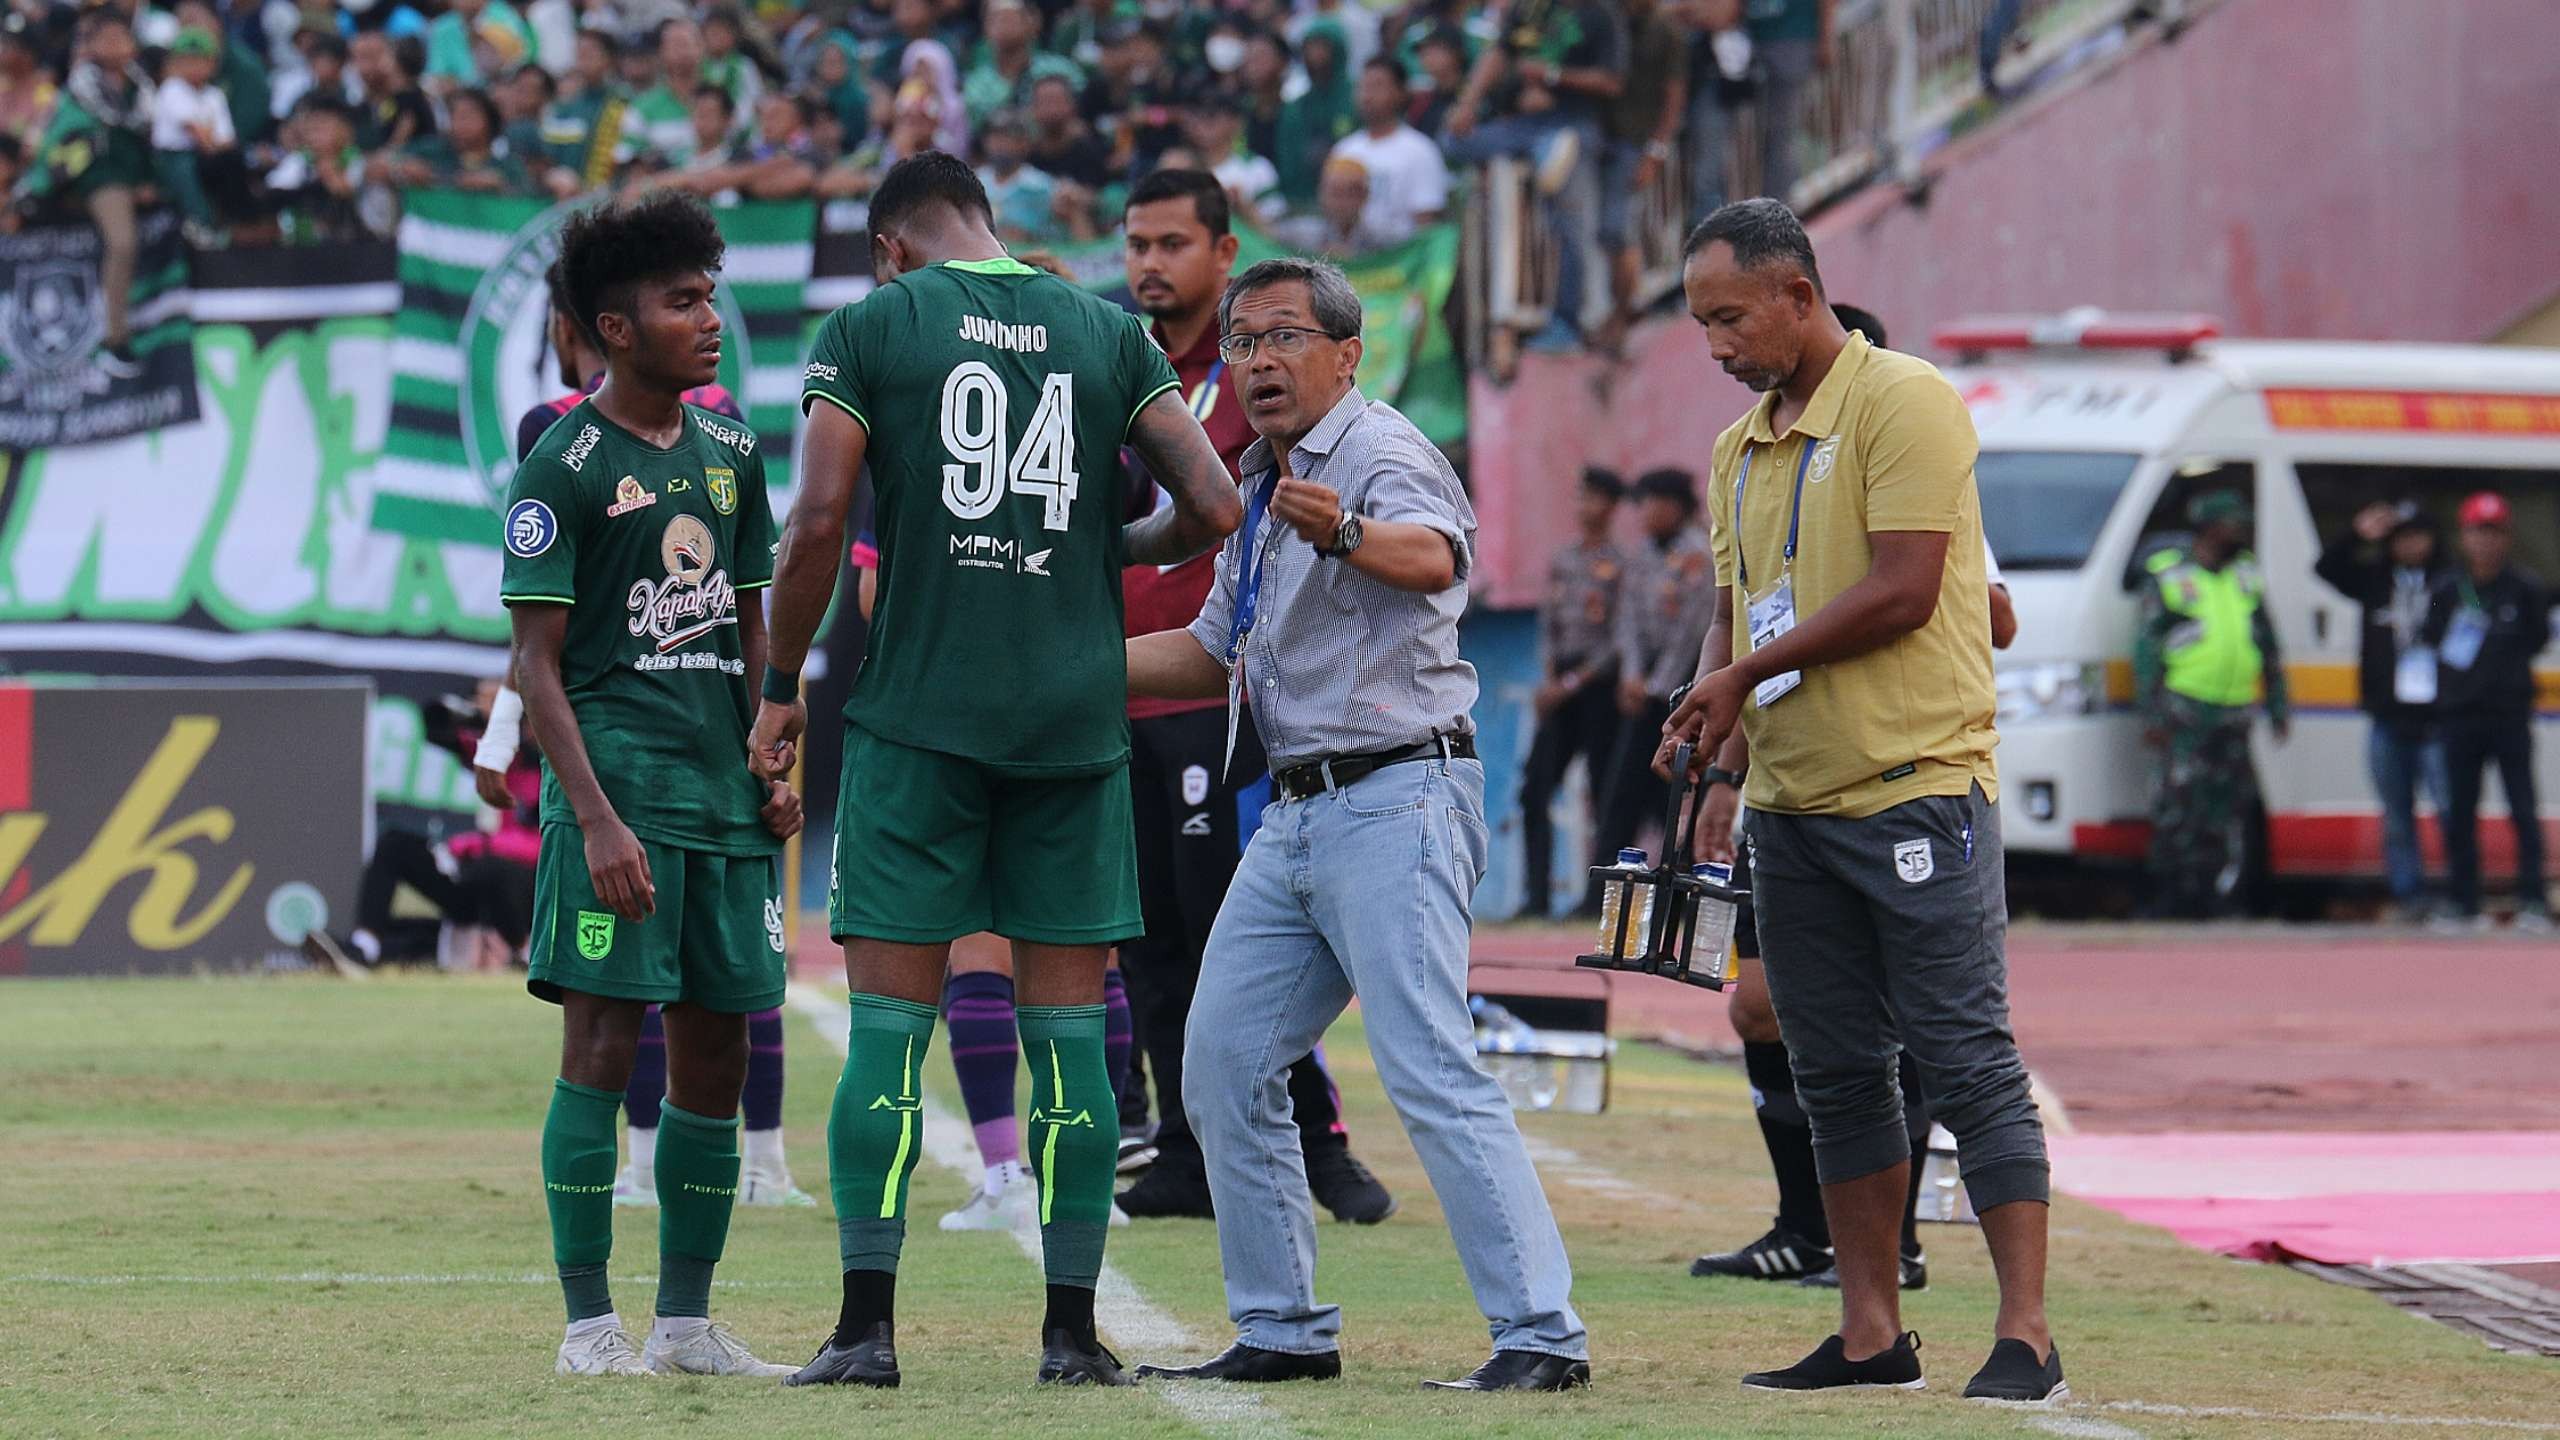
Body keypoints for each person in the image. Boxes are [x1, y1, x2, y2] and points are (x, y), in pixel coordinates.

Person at [750, 152, 1240, 1389]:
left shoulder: (871, 326)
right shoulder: (1104, 329)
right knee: (1071, 1040)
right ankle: (1071, 1336)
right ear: (987, 222)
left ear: (891, 248)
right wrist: (1095, 549)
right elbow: (1216, 503)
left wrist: (776, 691)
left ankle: (865, 1332)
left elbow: (814, 524)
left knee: (889, 1033)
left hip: (920, 720)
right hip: (1072, 729)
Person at [1123, 257, 1590, 1393]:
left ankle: (1541, 1335)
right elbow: (1208, 649)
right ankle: (1282, 1328)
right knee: (1221, 1062)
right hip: (1294, 813)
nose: (1259, 361)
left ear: (1347, 352)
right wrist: (1060, 673)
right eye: (1241, 343)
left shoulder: (1378, 452)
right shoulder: (1256, 480)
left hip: (1399, 797)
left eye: (1284, 336)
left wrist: (1340, 535)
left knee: (1429, 1064)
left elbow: (1437, 562)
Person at [1663, 198, 2062, 1402]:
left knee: (1964, 1055)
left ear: (1798, 293)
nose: (1716, 345)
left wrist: (1742, 671)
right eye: (1700, 323)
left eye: (1730, 317)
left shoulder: (1908, 400)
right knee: (1833, 1070)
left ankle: (2026, 1336)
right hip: (1791, 805)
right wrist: (1708, 711)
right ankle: (1869, 1332)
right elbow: (1735, 617)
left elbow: (1903, 589)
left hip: (1915, 789)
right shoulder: (1738, 450)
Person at [500, 191, 803, 1379]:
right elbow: (536, 662)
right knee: (599, 1046)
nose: (709, 318)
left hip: (720, 804)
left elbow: (751, 633)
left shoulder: (732, 453)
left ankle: (684, 1325)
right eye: (682, 302)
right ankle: (588, 1328)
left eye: (710, 294)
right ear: (614, 328)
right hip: (617, 803)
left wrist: (769, 763)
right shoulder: (562, 465)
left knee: (718, 1059)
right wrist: (592, 816)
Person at [1110, 168, 1394, 1226]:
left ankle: (1317, 1143)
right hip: (1121, 687)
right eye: (1137, 240)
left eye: (1173, 242)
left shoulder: (1258, 372)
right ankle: (1185, 1147)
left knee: (1236, 924)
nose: (1150, 262)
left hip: (1217, 688)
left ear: (1224, 255)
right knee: (1145, 938)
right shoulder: (1111, 364)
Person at [2134, 490, 2288, 919]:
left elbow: (2267, 643)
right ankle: (2171, 895)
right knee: (2179, 805)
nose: (2242, 531)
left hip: (2235, 710)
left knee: (2229, 807)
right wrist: (2152, 712)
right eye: (2233, 524)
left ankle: (2219, 897)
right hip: (2184, 709)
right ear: (2209, 529)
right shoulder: (2171, 576)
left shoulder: (2245, 576)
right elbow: (2147, 649)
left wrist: (2277, 703)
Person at [2425, 491, 2554, 933]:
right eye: (2479, 532)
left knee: (2522, 807)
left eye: (2495, 532)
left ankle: (2533, 902)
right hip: (2460, 716)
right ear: (2464, 537)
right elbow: (2433, 639)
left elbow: (2536, 640)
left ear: (2507, 537)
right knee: (2459, 810)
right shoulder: (2447, 587)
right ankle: (2463, 903)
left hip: (2509, 714)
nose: (2486, 542)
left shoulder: (2527, 587)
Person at [2314, 501, 2449, 920]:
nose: (2410, 545)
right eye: (2401, 537)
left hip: (2438, 717)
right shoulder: (2375, 579)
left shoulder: (2450, 581)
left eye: (2417, 536)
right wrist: (2357, 534)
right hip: (2388, 715)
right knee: (2396, 813)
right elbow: (2325, 568)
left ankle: (2458, 890)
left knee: (2449, 809)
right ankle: (2409, 893)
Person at [1588, 467, 1713, 906]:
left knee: (1677, 795)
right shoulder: (1640, 556)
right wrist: (1632, 677)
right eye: (1646, 503)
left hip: (1681, 691)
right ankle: (1598, 893)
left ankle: (1678, 895)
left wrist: (1659, 687)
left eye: (1660, 503)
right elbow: (1626, 622)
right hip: (1642, 691)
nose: (1650, 513)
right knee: (1621, 789)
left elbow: (1694, 631)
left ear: (1680, 508)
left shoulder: (1699, 556)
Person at [1517, 468, 1625, 918]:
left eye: (1594, 498)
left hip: (1599, 688)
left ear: (1612, 506)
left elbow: (1620, 639)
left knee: (1604, 794)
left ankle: (1595, 900)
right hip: (1559, 684)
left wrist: (1571, 684)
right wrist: (1549, 681)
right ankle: (1536, 898)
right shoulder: (1564, 559)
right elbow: (1549, 626)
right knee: (1535, 790)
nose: (1585, 507)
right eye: (1581, 497)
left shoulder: (1622, 564)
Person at [1327, 56, 1448, 246]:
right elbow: (1331, 217)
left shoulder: (1420, 151)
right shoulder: (1344, 150)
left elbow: (1426, 229)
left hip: (1399, 260)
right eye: (1363, 87)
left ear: (1401, 93)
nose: (1367, 96)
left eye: (1377, 86)